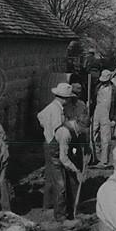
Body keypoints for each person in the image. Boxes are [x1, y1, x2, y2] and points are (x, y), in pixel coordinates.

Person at [37, 83, 76, 223]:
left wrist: (46, 131)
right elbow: (59, 129)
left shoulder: (52, 107)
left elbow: (40, 117)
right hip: (54, 145)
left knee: (51, 177)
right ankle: (60, 216)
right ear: (65, 98)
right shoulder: (56, 110)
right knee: (60, 183)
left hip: (49, 143)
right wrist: (52, 134)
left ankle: (48, 207)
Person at [92, 69, 116, 165]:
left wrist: (114, 120)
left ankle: (104, 160)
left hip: (107, 115)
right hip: (97, 113)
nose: (103, 83)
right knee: (92, 135)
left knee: (105, 139)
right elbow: (93, 101)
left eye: (105, 81)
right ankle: (94, 157)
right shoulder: (98, 87)